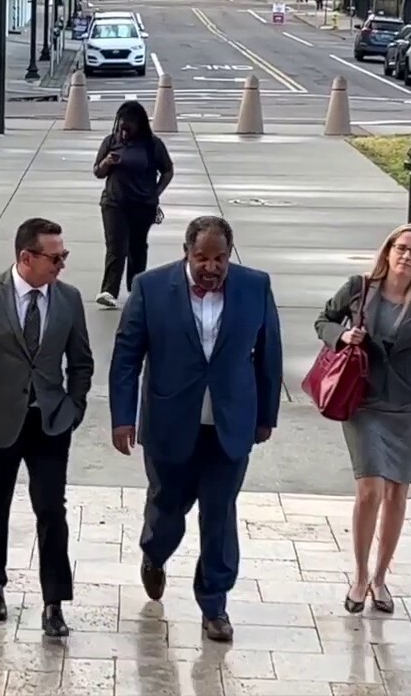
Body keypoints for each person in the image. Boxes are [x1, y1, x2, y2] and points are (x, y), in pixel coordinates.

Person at [108, 216, 283, 643]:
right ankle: (155, 553)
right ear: (187, 252)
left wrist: (265, 417)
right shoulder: (151, 287)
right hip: (170, 420)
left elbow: (269, 356)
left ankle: (214, 604)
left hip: (230, 424)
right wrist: (122, 417)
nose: (211, 266)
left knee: (219, 514)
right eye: (202, 257)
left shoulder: (255, 286)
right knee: (168, 507)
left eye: (219, 257)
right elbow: (127, 356)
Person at [0, 217, 94, 638]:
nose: (61, 264)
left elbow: (81, 360)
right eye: (54, 257)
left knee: (51, 509)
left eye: (64, 256)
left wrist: (74, 406)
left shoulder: (69, 299)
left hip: (49, 422)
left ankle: (54, 601)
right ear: (26, 257)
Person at [314, 223, 411, 615]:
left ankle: (381, 578)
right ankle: (360, 576)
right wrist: (341, 337)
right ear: (387, 252)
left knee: (398, 493)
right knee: (369, 490)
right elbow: (323, 320)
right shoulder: (359, 288)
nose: (406, 256)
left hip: (408, 408)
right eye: (401, 248)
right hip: (362, 402)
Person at [92, 100, 174, 310]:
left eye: (128, 127)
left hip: (143, 204)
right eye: (121, 127)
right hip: (114, 203)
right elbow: (97, 172)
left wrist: (155, 193)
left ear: (139, 125)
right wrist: (106, 163)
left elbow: (167, 171)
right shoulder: (111, 141)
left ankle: (136, 288)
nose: (124, 131)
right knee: (116, 247)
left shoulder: (152, 145)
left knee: (137, 247)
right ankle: (109, 290)